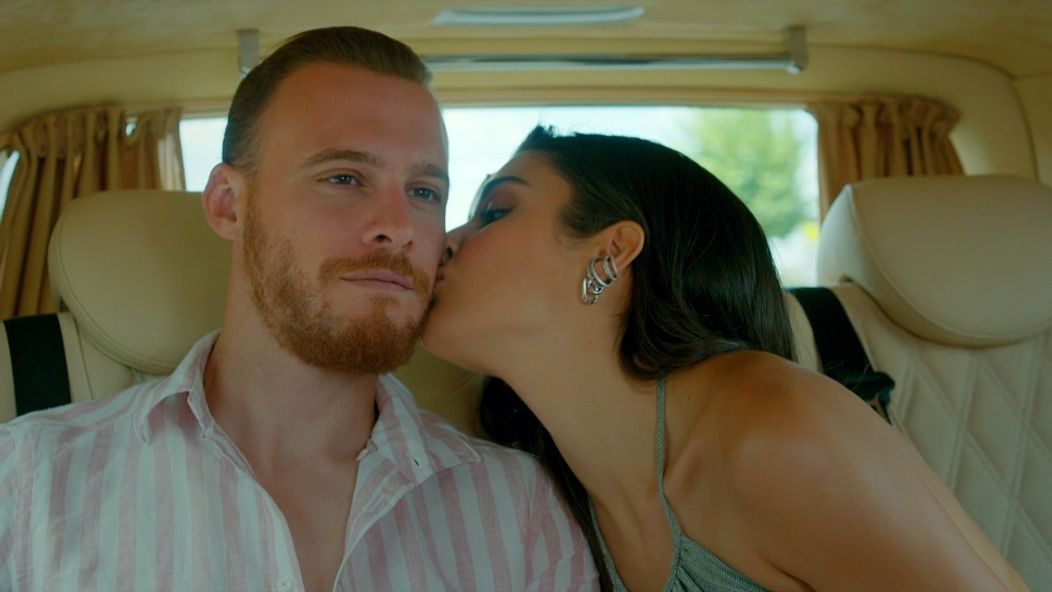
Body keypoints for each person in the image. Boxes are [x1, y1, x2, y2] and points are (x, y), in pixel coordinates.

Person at [0, 29, 598, 592]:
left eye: (423, 192)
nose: (399, 227)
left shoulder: (520, 510)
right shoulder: (25, 482)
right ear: (228, 205)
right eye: (344, 178)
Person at [422, 126, 1030, 592]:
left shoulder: (773, 429)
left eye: (495, 212)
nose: (445, 241)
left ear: (610, 254)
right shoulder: (540, 490)